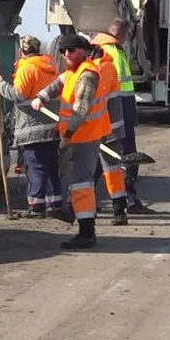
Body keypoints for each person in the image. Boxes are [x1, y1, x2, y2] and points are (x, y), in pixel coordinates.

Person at [32, 33, 111, 249]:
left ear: (83, 51)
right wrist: (41, 97)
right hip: (77, 136)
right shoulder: (72, 72)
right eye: (63, 51)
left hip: (84, 136)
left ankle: (87, 232)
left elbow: (81, 110)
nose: (67, 54)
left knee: (82, 184)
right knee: (77, 183)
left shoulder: (87, 74)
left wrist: (67, 137)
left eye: (71, 51)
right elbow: (57, 85)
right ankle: (83, 225)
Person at [0, 35, 63, 219]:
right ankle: (54, 203)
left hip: (32, 130)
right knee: (50, 169)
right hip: (51, 128)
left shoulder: (28, 68)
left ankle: (36, 206)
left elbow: (18, 95)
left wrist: (0, 84)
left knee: (35, 169)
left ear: (21, 51)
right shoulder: (50, 67)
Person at [91, 17, 148, 213]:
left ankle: (84, 198)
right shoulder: (112, 52)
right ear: (124, 34)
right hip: (119, 112)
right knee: (126, 156)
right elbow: (112, 87)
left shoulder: (101, 48)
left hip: (112, 111)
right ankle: (131, 201)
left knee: (104, 155)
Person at [90, 42, 129, 225]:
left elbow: (92, 99)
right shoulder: (103, 66)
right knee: (94, 171)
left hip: (106, 131)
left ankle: (119, 211)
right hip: (101, 130)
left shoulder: (101, 69)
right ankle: (86, 209)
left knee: (110, 171)